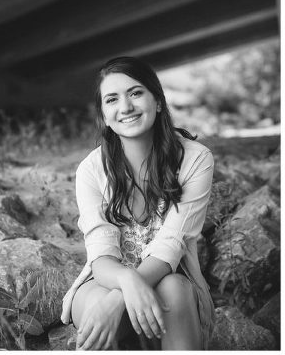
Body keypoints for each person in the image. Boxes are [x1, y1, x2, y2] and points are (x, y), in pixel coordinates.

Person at [60, 57, 214, 350]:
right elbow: (101, 256)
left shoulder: (196, 159)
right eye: (112, 99)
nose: (126, 107)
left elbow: (172, 243)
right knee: (97, 305)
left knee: (174, 290)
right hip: (105, 279)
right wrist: (124, 285)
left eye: (135, 93)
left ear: (157, 101)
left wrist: (124, 295)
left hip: (169, 281)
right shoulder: (90, 171)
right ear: (104, 115)